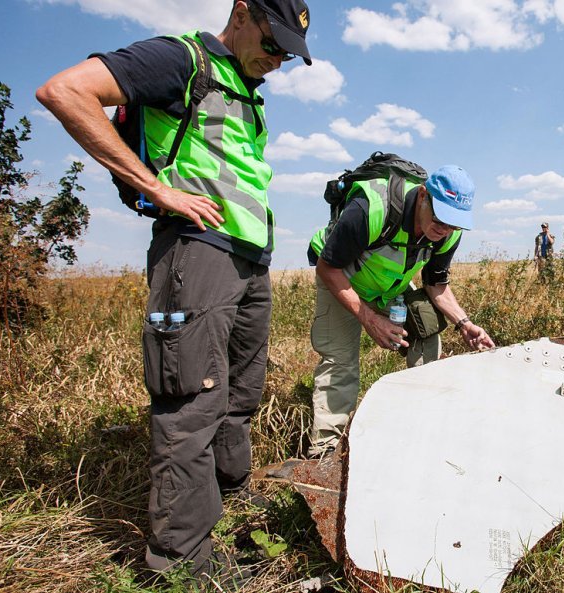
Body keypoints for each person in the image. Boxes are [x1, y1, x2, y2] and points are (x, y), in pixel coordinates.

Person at [36, 0, 313, 580]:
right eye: (274, 41)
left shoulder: (243, 87)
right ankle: (180, 567)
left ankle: (229, 506)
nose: (279, 58)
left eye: (289, 52)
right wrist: (155, 188)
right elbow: (64, 91)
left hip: (247, 260)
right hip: (197, 251)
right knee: (191, 402)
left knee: (240, 393)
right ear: (242, 13)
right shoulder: (180, 59)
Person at [306, 165, 496, 458]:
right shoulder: (371, 209)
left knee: (427, 330)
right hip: (341, 277)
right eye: (440, 217)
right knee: (341, 361)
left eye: (453, 224)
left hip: (388, 287)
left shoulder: (448, 234)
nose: (443, 229)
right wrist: (369, 319)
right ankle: (324, 452)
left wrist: (464, 323)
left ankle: (421, 423)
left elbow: (436, 284)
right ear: (423, 195)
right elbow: (327, 267)